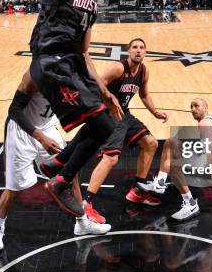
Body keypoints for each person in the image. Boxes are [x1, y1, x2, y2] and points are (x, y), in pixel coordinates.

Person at [29, 0, 123, 218]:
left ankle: (55, 164)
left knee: (105, 126)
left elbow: (85, 53)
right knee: (102, 126)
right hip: (52, 64)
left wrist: (104, 91)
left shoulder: (93, 2)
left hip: (71, 66)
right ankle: (59, 181)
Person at [41, 38, 167, 223]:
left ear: (145, 52)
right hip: (107, 114)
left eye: (141, 48)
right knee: (111, 158)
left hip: (124, 114)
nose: (138, 51)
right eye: (134, 47)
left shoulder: (144, 71)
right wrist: (100, 108)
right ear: (128, 51)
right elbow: (96, 85)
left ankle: (137, 192)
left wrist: (155, 112)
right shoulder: (118, 68)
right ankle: (87, 204)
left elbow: (144, 94)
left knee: (150, 143)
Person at [0, 69, 110, 252]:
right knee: (14, 187)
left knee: (70, 172)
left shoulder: (72, 73)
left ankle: (82, 221)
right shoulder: (34, 75)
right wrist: (41, 138)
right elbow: (14, 110)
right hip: (22, 130)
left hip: (48, 128)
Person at [162, 98, 212, 221]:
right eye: (191, 107)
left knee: (173, 166)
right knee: (172, 141)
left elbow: (211, 153)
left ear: (206, 108)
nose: (193, 109)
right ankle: (160, 180)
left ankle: (191, 204)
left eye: (196, 106)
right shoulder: (210, 121)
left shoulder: (204, 124)